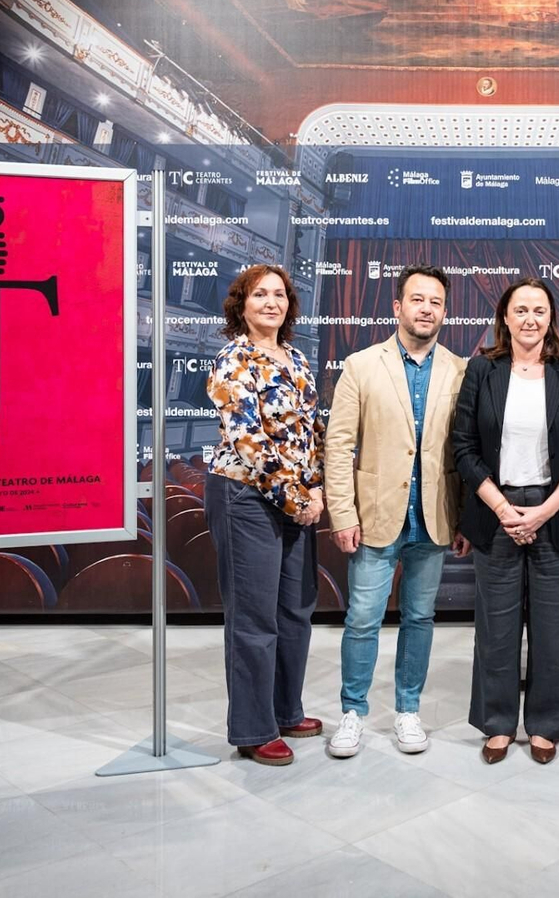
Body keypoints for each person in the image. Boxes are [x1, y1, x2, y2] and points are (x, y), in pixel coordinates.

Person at [323, 265, 468, 758]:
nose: (427, 309)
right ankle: (353, 712)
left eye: (436, 302)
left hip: (434, 516)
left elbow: (464, 450)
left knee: (420, 618)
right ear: (397, 306)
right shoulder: (362, 365)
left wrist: (464, 517)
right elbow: (338, 446)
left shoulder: (460, 369)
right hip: (375, 516)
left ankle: (408, 710)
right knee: (363, 619)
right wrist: (343, 513)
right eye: (418, 299)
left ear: (445, 312)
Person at [452, 278, 559, 764]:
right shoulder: (482, 369)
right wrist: (501, 507)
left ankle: (546, 724)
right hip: (496, 509)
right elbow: (463, 446)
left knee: (552, 628)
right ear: (505, 318)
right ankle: (496, 723)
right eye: (521, 310)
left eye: (539, 310)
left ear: (551, 318)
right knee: (496, 628)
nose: (530, 319)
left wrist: (545, 509)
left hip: (554, 511)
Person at [204, 265, 325, 765]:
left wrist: (315, 487)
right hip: (246, 497)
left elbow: (311, 432)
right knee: (254, 618)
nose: (271, 302)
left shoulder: (296, 357)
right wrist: (298, 499)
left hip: (297, 497)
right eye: (260, 294)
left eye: (279, 294)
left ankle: (285, 710)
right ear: (242, 303)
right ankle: (253, 729)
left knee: (295, 610)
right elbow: (248, 440)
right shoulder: (233, 359)